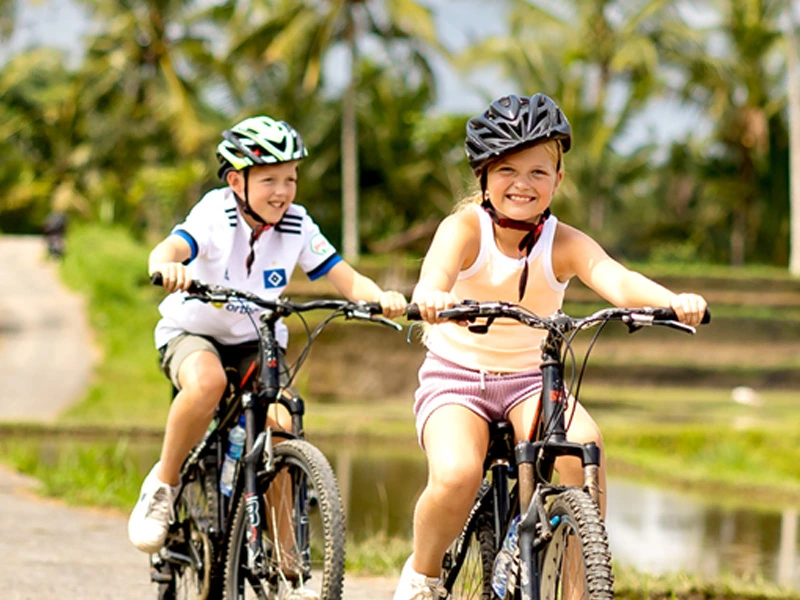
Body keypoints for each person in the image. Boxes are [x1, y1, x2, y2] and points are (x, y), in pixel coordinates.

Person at [393, 93, 708, 599]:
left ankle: (580, 588)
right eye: (507, 171)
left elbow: (619, 281)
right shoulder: (465, 229)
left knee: (586, 448)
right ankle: (423, 574)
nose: (523, 184)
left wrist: (675, 301)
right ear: (484, 177)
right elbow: (437, 271)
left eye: (538, 172)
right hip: (458, 379)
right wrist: (429, 294)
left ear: (558, 180)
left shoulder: (563, 242)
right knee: (456, 475)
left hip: (530, 381)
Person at [127, 116, 407, 567]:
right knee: (206, 383)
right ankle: (163, 483)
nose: (283, 191)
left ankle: (286, 560)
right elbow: (170, 248)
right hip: (193, 332)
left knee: (281, 422)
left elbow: (345, 277)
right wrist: (166, 267)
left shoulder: (297, 224)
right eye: (270, 179)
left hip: (258, 340)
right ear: (237, 180)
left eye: (291, 179)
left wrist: (383, 300)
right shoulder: (214, 214)